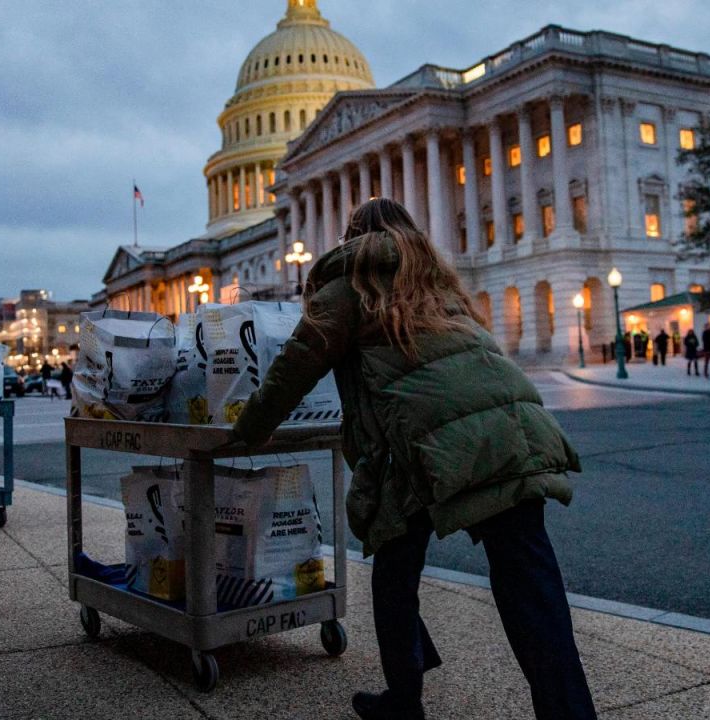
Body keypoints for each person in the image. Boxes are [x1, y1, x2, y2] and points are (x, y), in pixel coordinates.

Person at [231, 199, 596, 720]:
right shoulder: (437, 281)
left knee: (395, 574)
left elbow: (297, 363)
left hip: (426, 447)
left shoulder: (351, 282)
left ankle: (405, 700)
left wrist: (245, 431)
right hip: (510, 431)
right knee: (530, 584)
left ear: (352, 237)